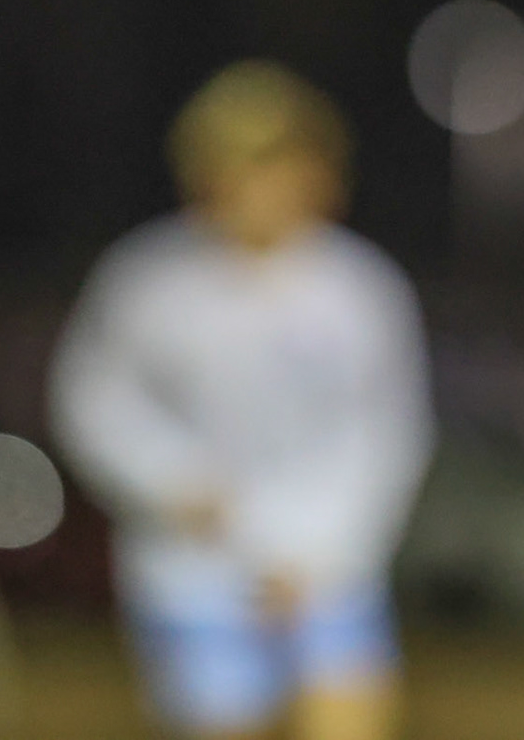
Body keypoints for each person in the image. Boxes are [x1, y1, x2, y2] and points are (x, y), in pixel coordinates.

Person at [50, 61, 435, 740]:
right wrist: (169, 481)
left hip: (327, 570)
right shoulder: (148, 281)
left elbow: (387, 433)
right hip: (192, 571)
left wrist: (328, 551)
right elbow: (92, 399)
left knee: (347, 716)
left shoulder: (359, 291)